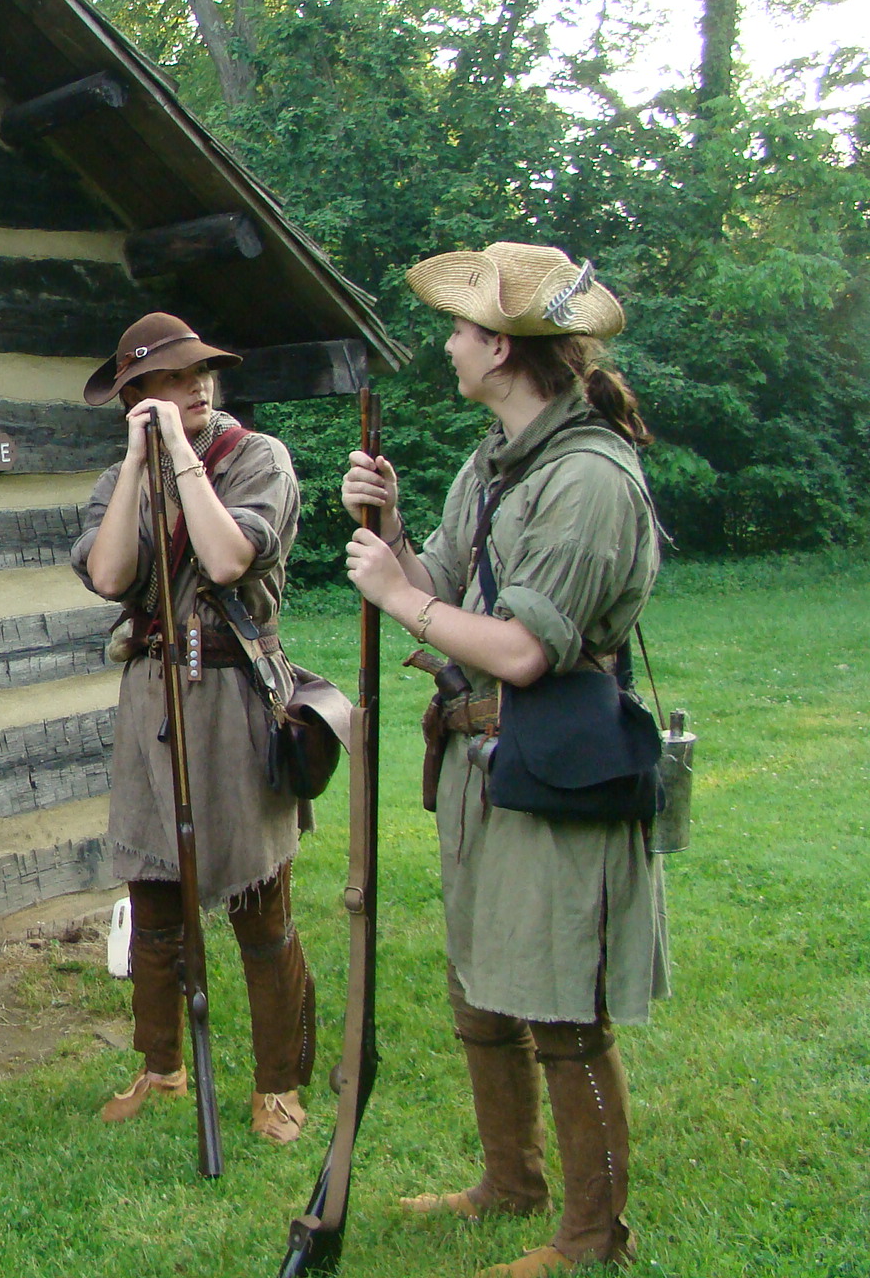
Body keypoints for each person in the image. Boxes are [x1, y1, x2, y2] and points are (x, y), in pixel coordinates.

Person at [341, 242, 663, 1277]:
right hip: (481, 765)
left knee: (562, 1007)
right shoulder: (497, 460)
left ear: (498, 348)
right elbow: (446, 584)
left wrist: (400, 598)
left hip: (556, 768)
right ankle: (508, 1182)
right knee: (485, 989)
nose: (444, 343)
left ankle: (589, 1237)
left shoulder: (588, 481)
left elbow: (523, 647)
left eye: (457, 329)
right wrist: (390, 531)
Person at [71, 312, 318, 1145]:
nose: (198, 385)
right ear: (137, 397)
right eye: (174, 378)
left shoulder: (259, 459)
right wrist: (143, 464)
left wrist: (182, 455)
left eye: (202, 372)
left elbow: (225, 560)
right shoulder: (121, 479)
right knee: (152, 891)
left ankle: (278, 1083)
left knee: (257, 893)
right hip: (150, 690)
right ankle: (161, 1065)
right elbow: (109, 574)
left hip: (233, 691)